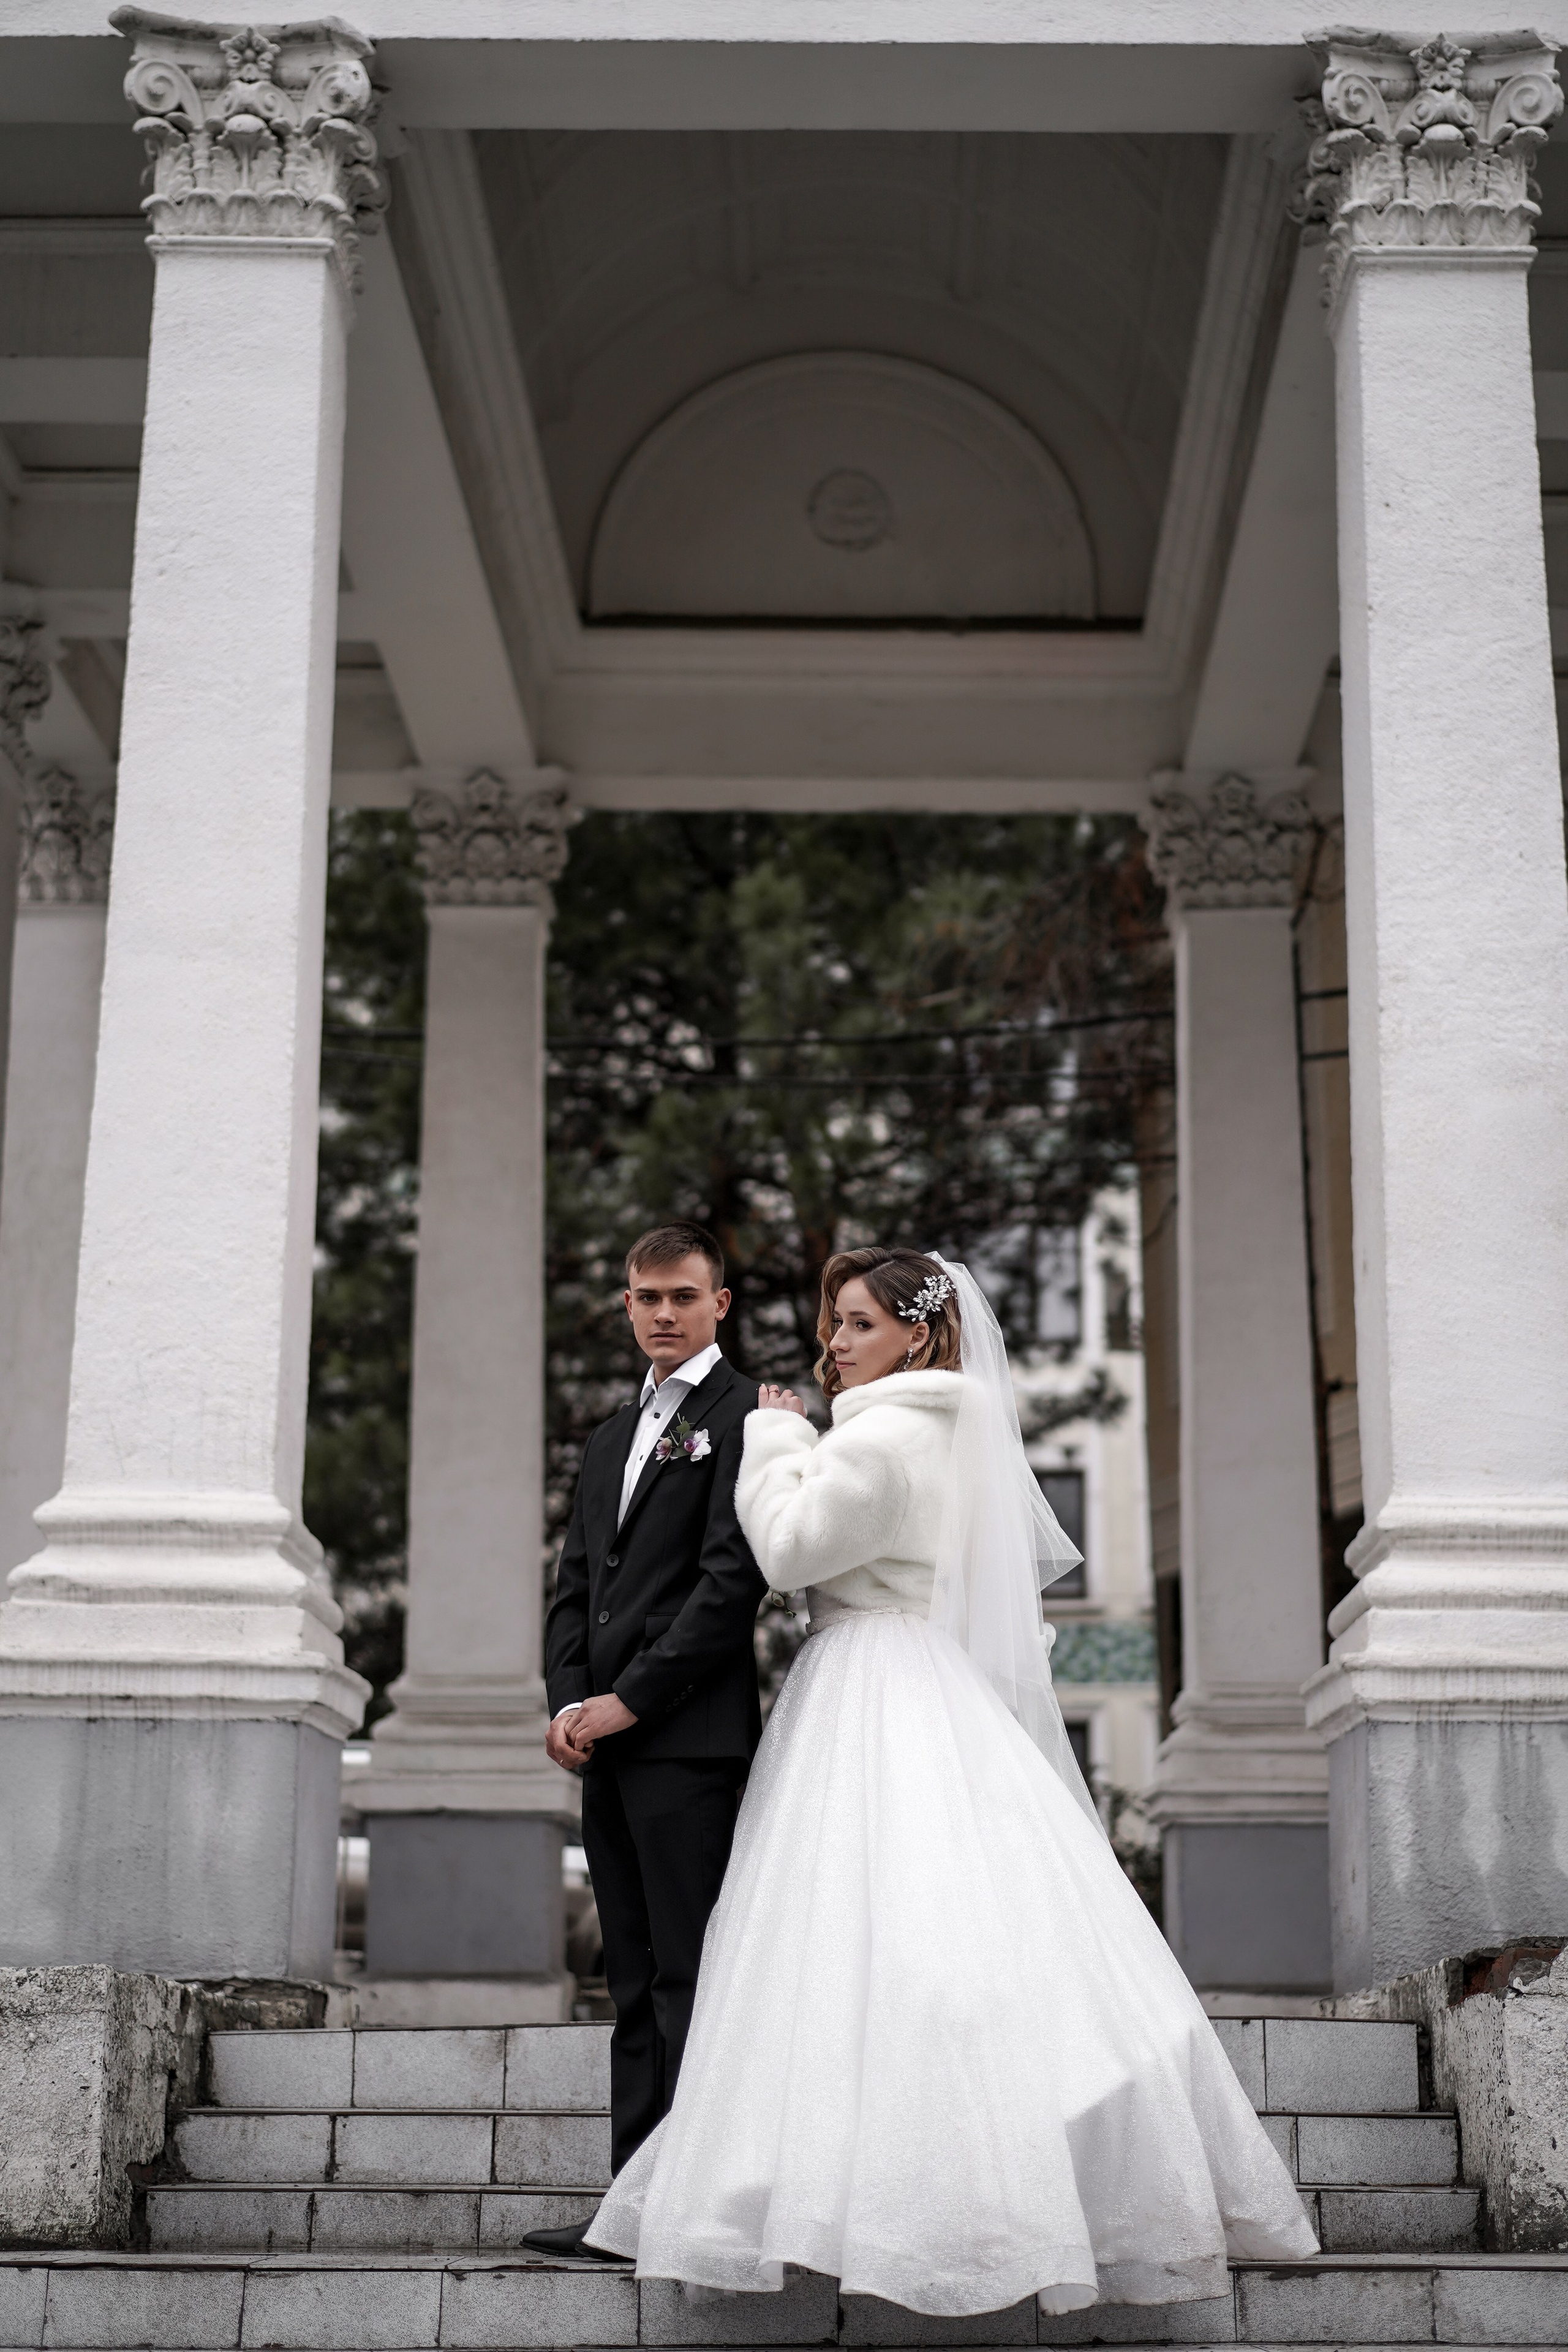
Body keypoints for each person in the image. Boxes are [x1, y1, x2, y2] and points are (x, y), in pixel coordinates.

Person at [584, 1245, 1317, 2315]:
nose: (835, 1343)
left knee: (861, 1944)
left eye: (857, 1325)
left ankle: (895, 2200)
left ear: (919, 1333)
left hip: (870, 1681)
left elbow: (790, 1549)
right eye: (834, 1323)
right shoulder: (950, 1426)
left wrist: (777, 1430)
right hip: (919, 1678)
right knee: (930, 1938)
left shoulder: (884, 1430)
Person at [522, 1223, 764, 2261]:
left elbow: (730, 1587)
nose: (663, 1312)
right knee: (629, 1981)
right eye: (645, 1297)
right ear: (626, 1305)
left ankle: (700, 2204)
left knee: (690, 1980)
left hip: (690, 1745)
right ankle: (631, 2206)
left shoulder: (749, 1416)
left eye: (683, 1296)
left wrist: (632, 1701)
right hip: (607, 1746)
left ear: (721, 1303)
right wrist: (570, 1702)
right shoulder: (613, 1437)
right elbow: (577, 1581)